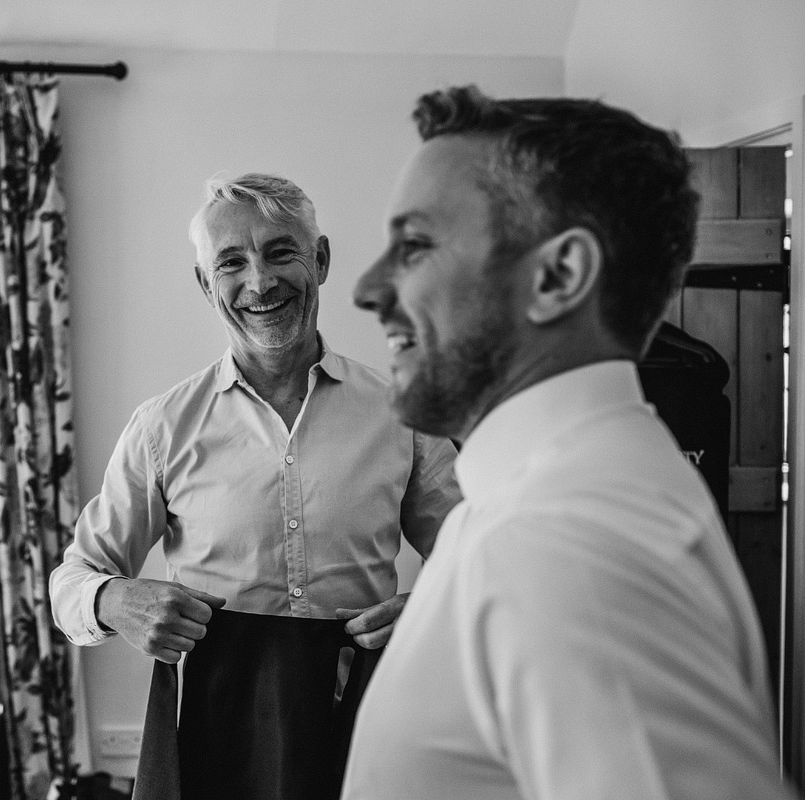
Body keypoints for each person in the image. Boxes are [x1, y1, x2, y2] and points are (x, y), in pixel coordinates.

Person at [341, 85, 798, 800]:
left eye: (416, 246)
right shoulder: (551, 500)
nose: (367, 290)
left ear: (558, 276)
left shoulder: (560, 542)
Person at [50, 173, 461, 796]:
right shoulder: (162, 426)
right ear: (205, 284)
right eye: (232, 263)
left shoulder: (405, 413)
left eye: (280, 252)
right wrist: (116, 602)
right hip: (210, 730)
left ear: (319, 260)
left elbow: (478, 553)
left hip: (367, 717)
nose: (260, 282)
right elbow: (72, 580)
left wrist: (432, 616)